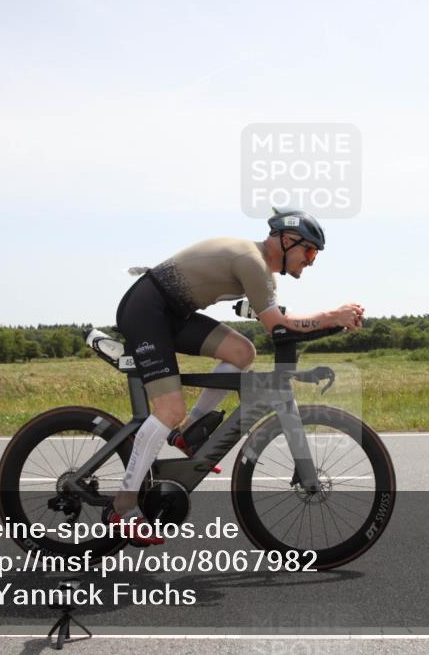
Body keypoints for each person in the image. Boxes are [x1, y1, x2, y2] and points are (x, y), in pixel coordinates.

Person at [110, 208, 364, 544]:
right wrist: (332, 315)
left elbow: (277, 322)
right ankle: (123, 508)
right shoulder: (251, 261)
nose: (312, 261)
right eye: (310, 250)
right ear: (287, 241)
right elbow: (276, 325)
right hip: (147, 309)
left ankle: (187, 434)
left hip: (173, 314)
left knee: (242, 352)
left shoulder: (263, 274)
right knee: (168, 410)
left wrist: (331, 322)